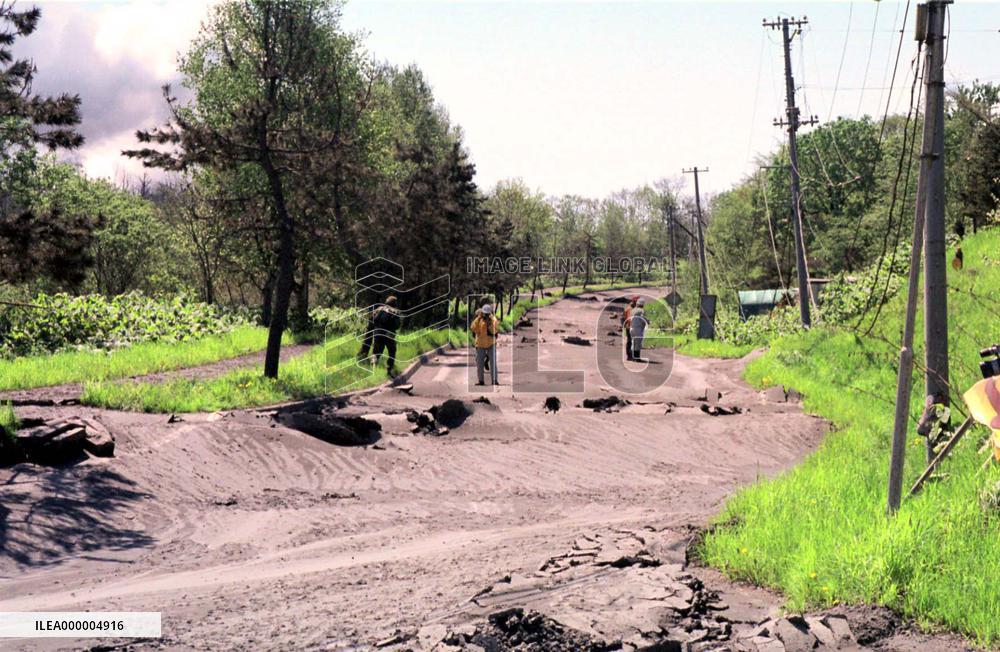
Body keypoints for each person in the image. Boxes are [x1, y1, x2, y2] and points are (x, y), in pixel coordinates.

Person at [371, 295, 401, 377]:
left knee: (376, 352)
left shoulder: (379, 309)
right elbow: (397, 325)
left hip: (378, 333)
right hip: (389, 335)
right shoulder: (395, 311)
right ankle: (389, 370)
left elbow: (374, 320)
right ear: (395, 303)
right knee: (392, 352)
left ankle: (373, 370)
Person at [470, 303, 499, 385]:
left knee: (493, 363)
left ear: (490, 313)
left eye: (487, 314)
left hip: (491, 344)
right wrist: (479, 318)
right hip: (480, 344)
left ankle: (494, 380)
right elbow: (473, 328)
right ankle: (481, 380)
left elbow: (495, 331)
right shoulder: (479, 319)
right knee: (479, 363)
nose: (486, 315)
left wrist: (489, 324)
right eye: (484, 313)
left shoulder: (493, 320)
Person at [622, 296, 638, 361]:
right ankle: (631, 356)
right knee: (631, 342)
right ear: (634, 302)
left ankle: (630, 356)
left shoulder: (628, 308)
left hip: (630, 327)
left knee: (631, 342)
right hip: (631, 327)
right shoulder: (630, 309)